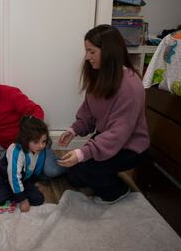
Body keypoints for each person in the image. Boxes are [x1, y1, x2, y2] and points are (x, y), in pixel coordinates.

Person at [57, 24, 150, 203]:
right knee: (74, 176)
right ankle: (106, 172)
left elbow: (118, 134)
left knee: (89, 171)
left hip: (130, 146)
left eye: (92, 52)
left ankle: (119, 190)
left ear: (108, 51)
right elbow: (88, 115)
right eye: (86, 51)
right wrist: (73, 131)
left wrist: (83, 153)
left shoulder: (130, 84)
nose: (87, 57)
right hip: (108, 137)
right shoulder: (99, 77)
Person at [0, 67, 65, 178]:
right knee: (5, 174)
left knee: (52, 171)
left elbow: (36, 110)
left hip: (33, 143)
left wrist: (32, 137)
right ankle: (33, 171)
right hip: (12, 150)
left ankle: (69, 163)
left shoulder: (10, 93)